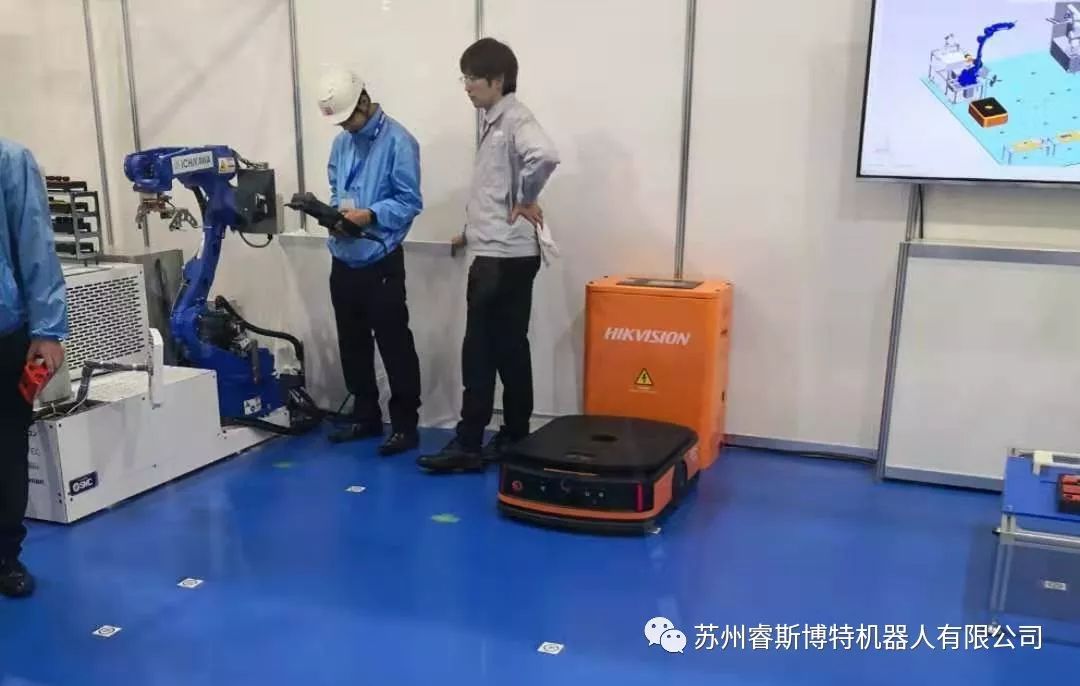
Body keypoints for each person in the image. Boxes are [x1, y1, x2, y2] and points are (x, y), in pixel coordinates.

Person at [417, 38, 559, 473]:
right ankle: (515, 434)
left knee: (479, 352)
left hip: (499, 258)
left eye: (473, 78)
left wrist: (525, 197)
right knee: (511, 347)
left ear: (498, 80)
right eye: (464, 78)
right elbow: (493, 188)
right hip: (508, 252)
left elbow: (545, 156)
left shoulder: (514, 119)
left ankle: (468, 444)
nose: (467, 86)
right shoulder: (495, 121)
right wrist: (469, 232)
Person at [317, 67, 424, 455]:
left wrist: (371, 214)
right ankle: (365, 415)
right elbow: (337, 190)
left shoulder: (399, 142)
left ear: (364, 100)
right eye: (340, 122)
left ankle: (406, 425)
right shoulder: (341, 144)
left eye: (349, 118)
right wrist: (335, 217)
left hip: (380, 261)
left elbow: (409, 202)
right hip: (343, 260)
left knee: (395, 345)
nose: (346, 126)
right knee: (352, 343)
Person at [0, 138, 68, 598]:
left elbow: (34, 242)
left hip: (4, 333)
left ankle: (5, 556)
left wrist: (48, 329)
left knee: (5, 451)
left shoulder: (9, 160)